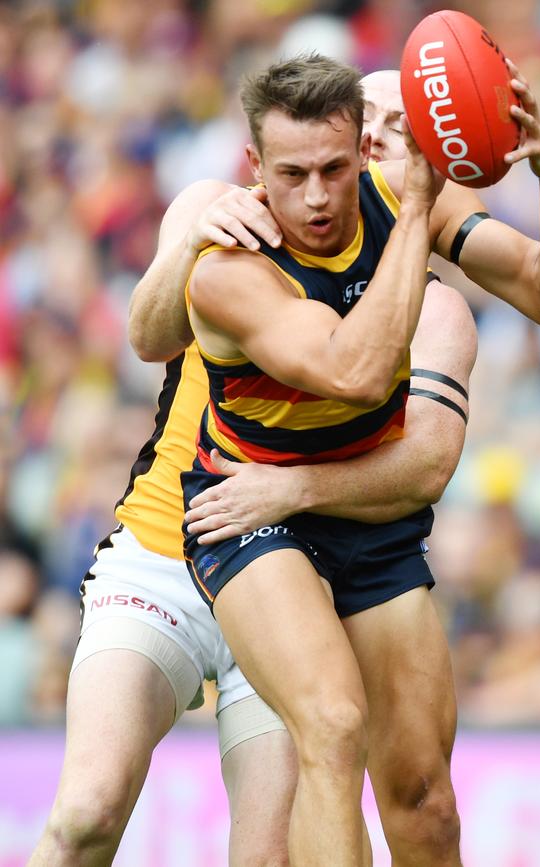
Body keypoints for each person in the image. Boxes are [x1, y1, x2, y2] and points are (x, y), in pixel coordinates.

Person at [129, 53, 540, 867]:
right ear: (258, 169)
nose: (317, 194)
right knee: (333, 726)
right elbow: (356, 369)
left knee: (426, 803)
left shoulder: (412, 235)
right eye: (294, 173)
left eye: (340, 165)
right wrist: (415, 203)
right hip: (244, 516)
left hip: (359, 520)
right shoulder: (230, 262)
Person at [29, 68, 476, 867]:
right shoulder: (222, 214)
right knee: (87, 813)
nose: (373, 142)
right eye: (365, 120)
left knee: (271, 850)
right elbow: (146, 335)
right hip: (167, 548)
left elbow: (422, 444)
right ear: (263, 160)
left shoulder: (407, 274)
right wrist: (202, 230)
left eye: (385, 130)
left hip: (282, 563)